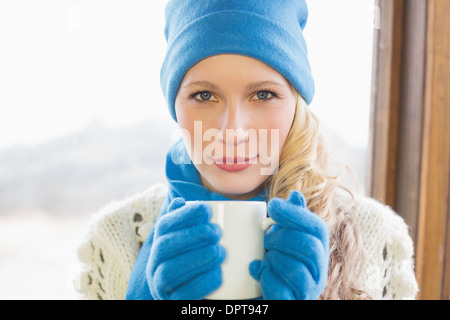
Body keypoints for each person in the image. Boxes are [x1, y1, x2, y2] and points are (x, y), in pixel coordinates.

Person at [73, 0, 419, 300]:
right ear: (175, 106)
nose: (233, 132)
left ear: (296, 104)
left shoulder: (377, 238)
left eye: (263, 95)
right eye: (204, 96)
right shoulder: (115, 239)